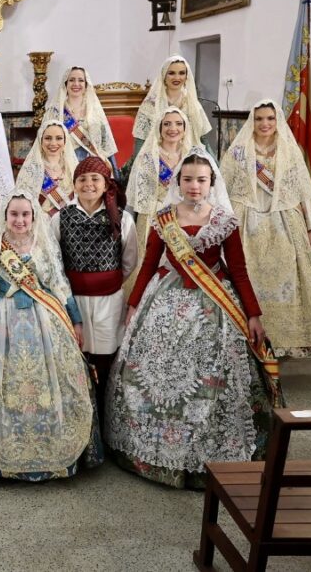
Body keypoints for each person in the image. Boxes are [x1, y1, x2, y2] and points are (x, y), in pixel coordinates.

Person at [106, 147, 283, 489]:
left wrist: (253, 315)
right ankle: (152, 449)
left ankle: (211, 451)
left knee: (213, 372)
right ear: (179, 181)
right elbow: (147, 264)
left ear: (211, 182)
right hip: (165, 300)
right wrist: (133, 304)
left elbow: (240, 272)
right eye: (188, 179)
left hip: (213, 302)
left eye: (201, 180)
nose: (194, 186)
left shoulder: (224, 221)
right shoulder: (164, 218)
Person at [0, 191, 102, 480]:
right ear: (5, 216)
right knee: (0, 385)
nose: (20, 220)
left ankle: (49, 451)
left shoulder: (43, 246)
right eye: (14, 214)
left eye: (26, 214)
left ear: (34, 217)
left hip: (43, 320)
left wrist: (75, 321)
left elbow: (59, 286)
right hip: (0, 321)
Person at [220, 99, 311, 358]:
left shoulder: (288, 149)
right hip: (246, 219)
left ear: (277, 120)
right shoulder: (239, 151)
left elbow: (303, 193)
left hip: (284, 218)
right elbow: (222, 190)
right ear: (252, 121)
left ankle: (284, 339)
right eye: (260, 118)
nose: (265, 124)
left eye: (270, 119)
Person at [51, 157, 137, 413]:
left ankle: (106, 413)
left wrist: (106, 282)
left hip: (109, 300)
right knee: (77, 355)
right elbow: (54, 260)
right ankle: (80, 414)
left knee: (106, 354)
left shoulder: (121, 219)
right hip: (73, 301)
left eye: (95, 179)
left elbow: (129, 260)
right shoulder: (60, 218)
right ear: (74, 185)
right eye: (82, 179)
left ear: (106, 184)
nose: (89, 184)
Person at [124, 107, 198, 293]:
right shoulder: (148, 157)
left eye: (178, 124)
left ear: (185, 128)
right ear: (159, 128)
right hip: (152, 217)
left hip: (186, 217)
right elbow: (138, 195)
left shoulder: (194, 156)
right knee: (149, 264)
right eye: (167, 124)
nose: (173, 128)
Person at [42, 66, 119, 176]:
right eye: (72, 80)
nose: (76, 84)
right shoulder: (54, 112)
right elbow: (44, 142)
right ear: (65, 84)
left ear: (86, 84)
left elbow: (106, 143)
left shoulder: (95, 111)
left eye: (81, 80)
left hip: (93, 167)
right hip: (63, 167)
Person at [132, 56, 212, 158]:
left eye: (182, 73)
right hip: (156, 157)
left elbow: (202, 138)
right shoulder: (151, 104)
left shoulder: (193, 103)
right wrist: (140, 164)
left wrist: (214, 164)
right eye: (171, 73)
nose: (177, 78)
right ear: (164, 75)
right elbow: (140, 139)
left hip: (188, 158)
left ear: (187, 76)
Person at [15, 118, 79, 217]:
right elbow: (22, 202)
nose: (53, 143)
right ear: (40, 140)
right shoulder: (31, 168)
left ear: (65, 140)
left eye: (59, 138)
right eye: (48, 138)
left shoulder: (72, 167)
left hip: (68, 222)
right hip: (41, 221)